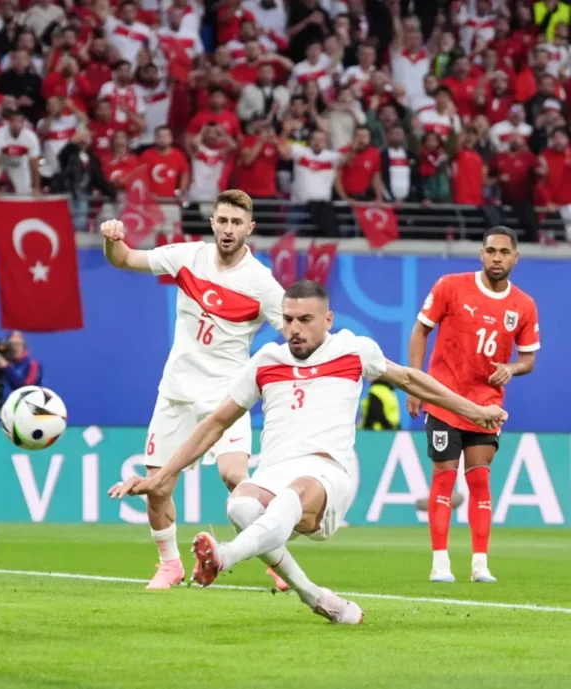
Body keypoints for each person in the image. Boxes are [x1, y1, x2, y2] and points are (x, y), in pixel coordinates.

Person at [110, 280, 508, 624]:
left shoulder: (354, 350)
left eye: (305, 320)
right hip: (274, 471)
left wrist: (476, 411)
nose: (293, 329)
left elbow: (410, 378)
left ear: (328, 320)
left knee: (292, 493)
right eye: (287, 319)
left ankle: (226, 557)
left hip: (327, 474)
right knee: (239, 506)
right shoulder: (265, 361)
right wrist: (161, 478)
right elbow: (215, 423)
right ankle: (314, 596)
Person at [99, 190, 285, 591]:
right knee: (158, 487)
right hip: (177, 392)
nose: (228, 229)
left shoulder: (262, 284)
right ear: (213, 223)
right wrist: (111, 239)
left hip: (227, 396)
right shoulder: (188, 256)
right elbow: (126, 259)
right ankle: (170, 565)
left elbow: (296, 330)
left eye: (237, 223)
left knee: (235, 476)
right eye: (223, 220)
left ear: (249, 229)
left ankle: (277, 558)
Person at [407, 226, 538, 584]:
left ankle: (480, 564)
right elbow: (420, 331)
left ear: (515, 257)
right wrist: (416, 384)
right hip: (445, 398)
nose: (497, 258)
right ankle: (440, 563)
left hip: (486, 404)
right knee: (444, 477)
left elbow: (528, 359)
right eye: (491, 251)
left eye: (504, 252)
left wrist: (510, 368)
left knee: (480, 480)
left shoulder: (523, 305)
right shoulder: (450, 285)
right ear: (481, 254)